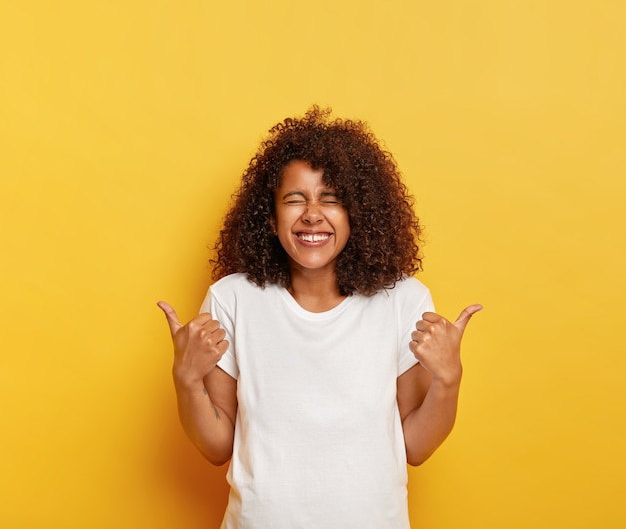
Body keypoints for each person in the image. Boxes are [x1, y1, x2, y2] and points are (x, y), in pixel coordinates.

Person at [158, 106, 481, 528]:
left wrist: (448, 379)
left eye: (331, 200)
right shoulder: (232, 298)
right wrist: (185, 379)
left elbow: (415, 448)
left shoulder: (403, 300)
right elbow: (218, 446)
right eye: (295, 200)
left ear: (356, 215)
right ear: (270, 220)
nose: (312, 214)